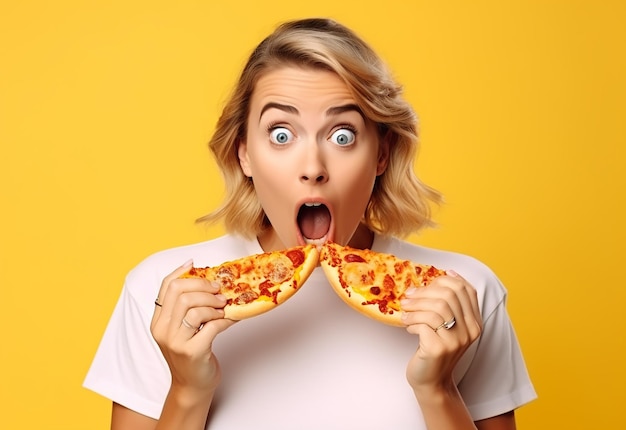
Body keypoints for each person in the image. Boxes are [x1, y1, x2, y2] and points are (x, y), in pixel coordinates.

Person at [84, 18, 537, 429]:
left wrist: (438, 390)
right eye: (281, 134)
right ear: (244, 152)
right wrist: (187, 389)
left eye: (343, 136)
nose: (313, 167)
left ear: (380, 154)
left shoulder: (465, 295)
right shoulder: (163, 295)